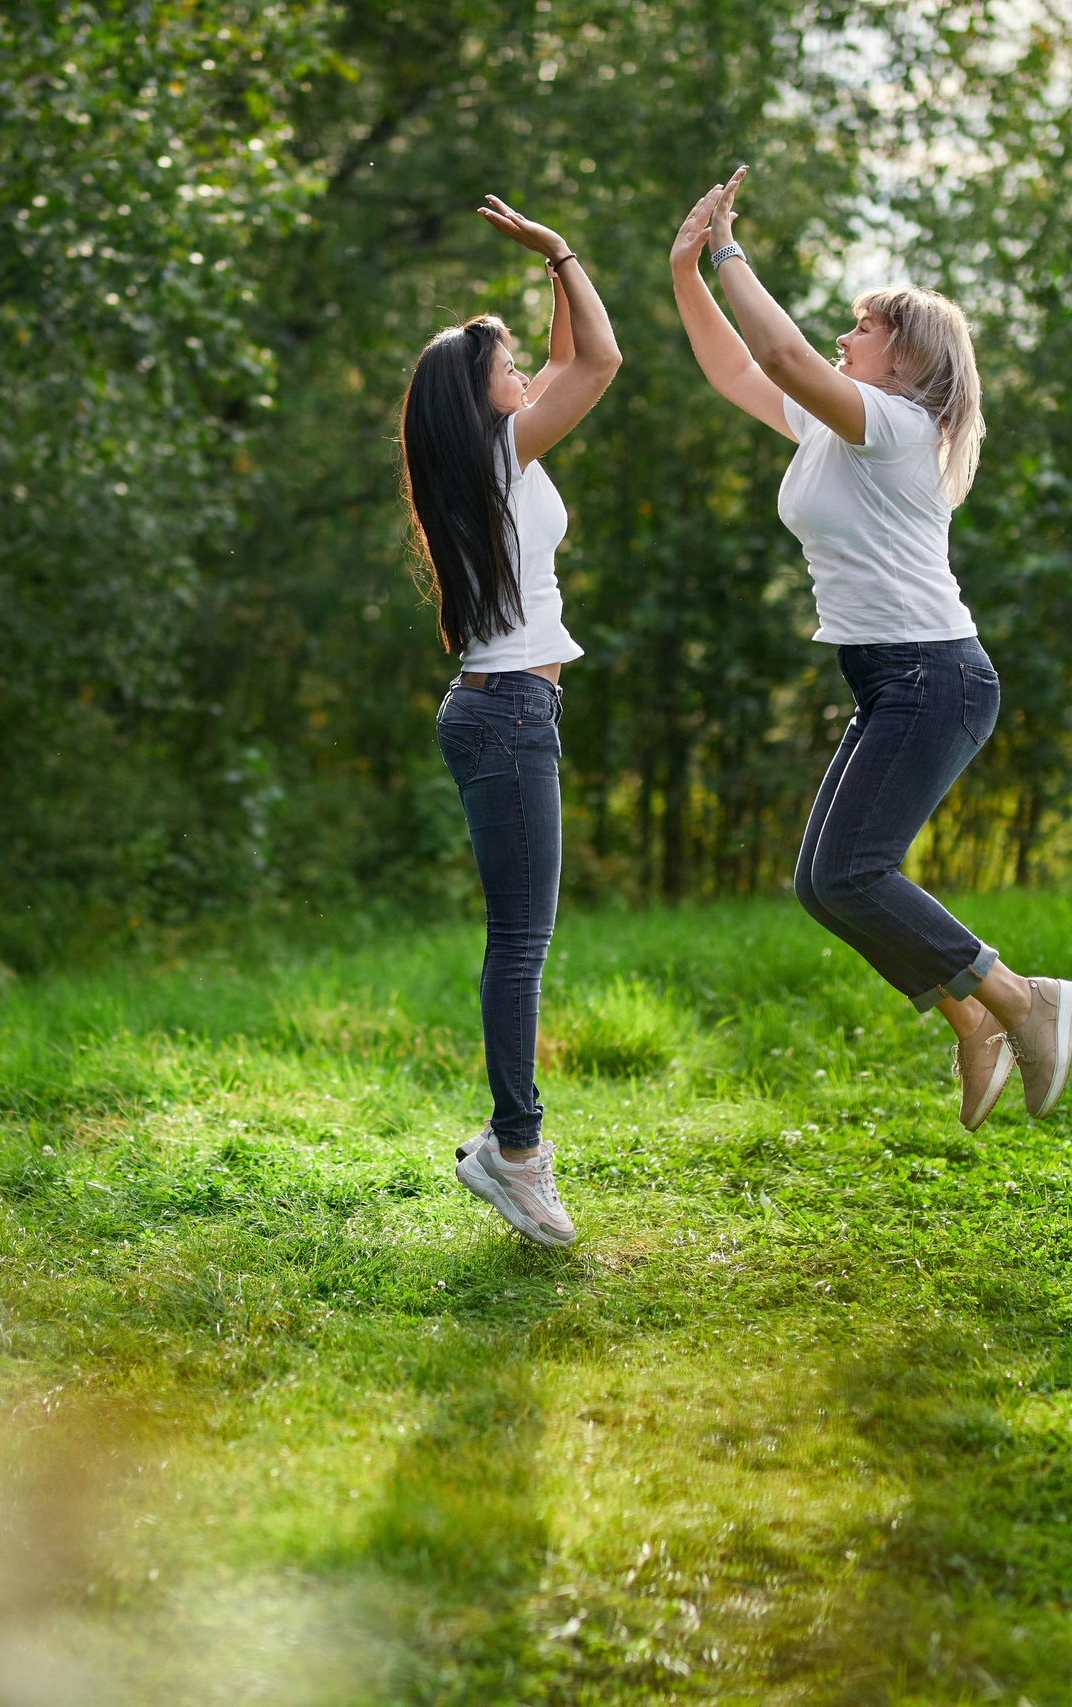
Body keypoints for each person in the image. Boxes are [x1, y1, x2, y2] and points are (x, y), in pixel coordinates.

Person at [669, 167, 1072, 1132]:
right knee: (823, 882)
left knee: (854, 872)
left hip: (932, 676)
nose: (843, 336)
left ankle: (1022, 1000)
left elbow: (775, 349)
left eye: (863, 327)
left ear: (905, 361)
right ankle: (969, 1019)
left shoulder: (894, 426)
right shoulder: (834, 424)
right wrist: (687, 267)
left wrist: (729, 251)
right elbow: (736, 367)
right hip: (893, 678)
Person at [399, 195, 621, 1246]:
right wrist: (558, 251)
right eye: (506, 370)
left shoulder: (487, 461)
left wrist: (548, 285)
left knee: (519, 939)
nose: (524, 373)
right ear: (478, 398)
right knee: (521, 942)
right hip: (507, 715)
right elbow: (598, 361)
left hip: (504, 710)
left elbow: (568, 351)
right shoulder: (496, 457)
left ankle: (512, 1144)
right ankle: (514, 1150)